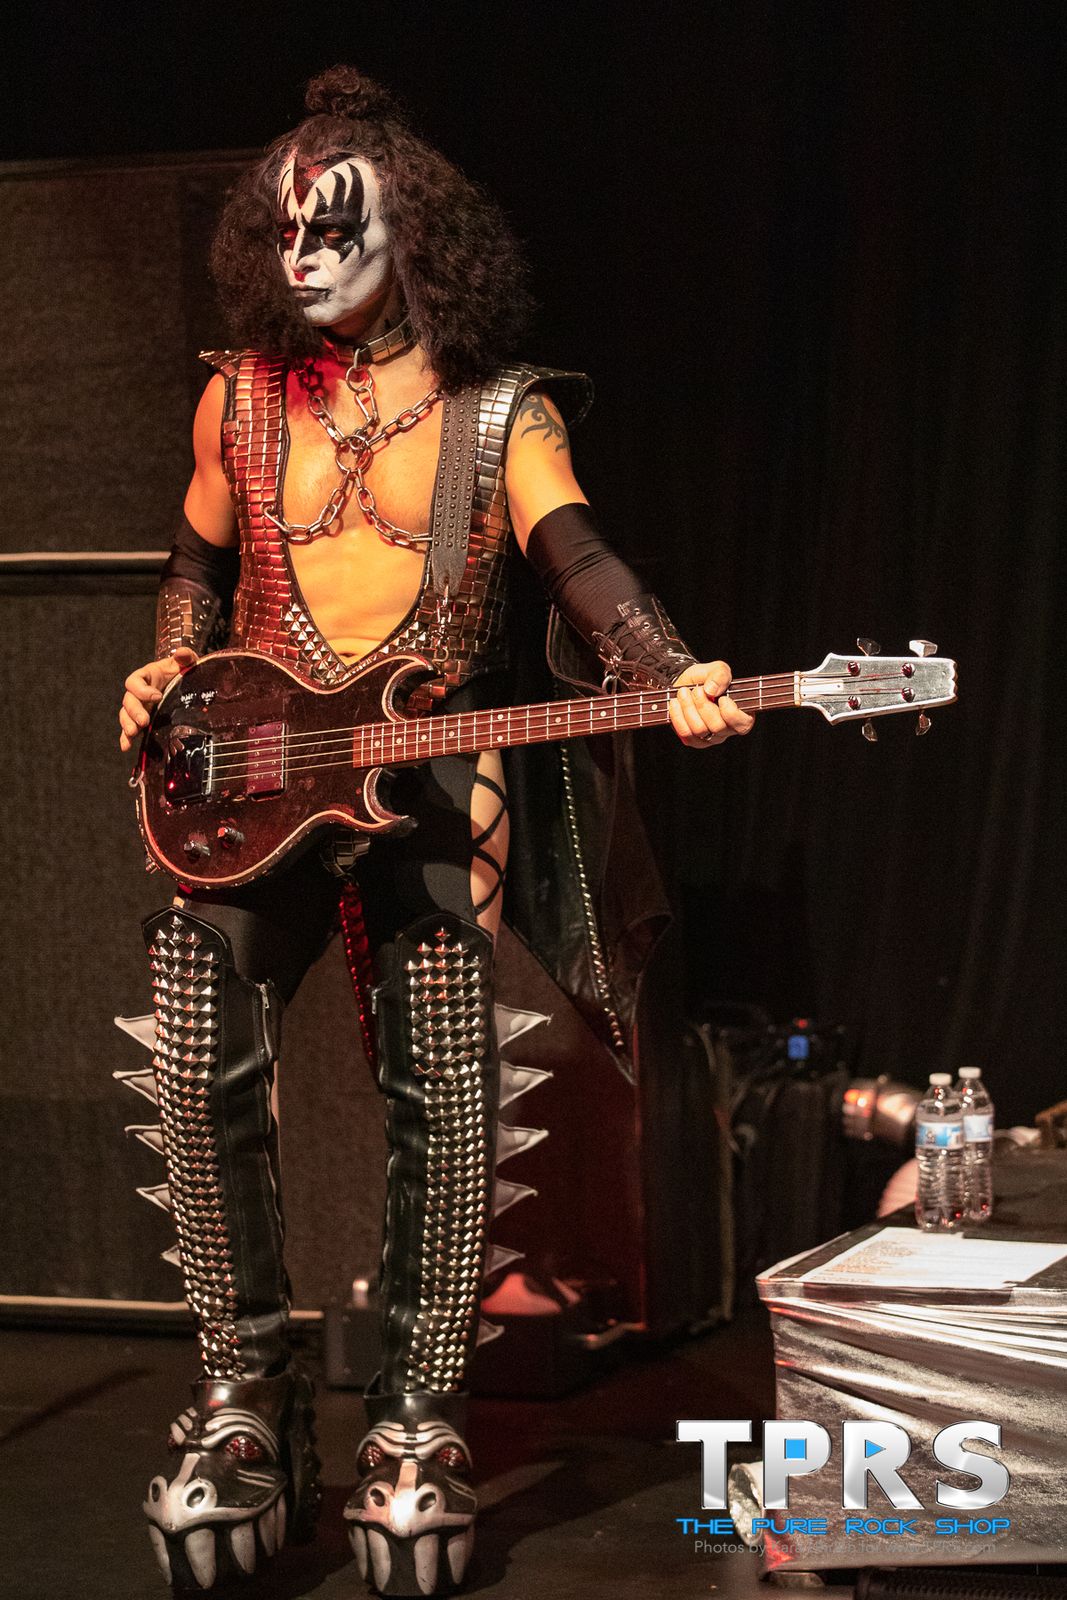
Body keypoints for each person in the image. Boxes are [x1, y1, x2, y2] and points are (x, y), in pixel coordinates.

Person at [117, 65, 754, 1598]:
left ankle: (418, 1413)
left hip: (429, 776)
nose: (305, 256)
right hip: (257, 774)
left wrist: (669, 668)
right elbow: (196, 566)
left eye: (335, 229)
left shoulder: (499, 411)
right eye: (285, 231)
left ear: (416, 236)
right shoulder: (239, 398)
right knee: (193, 1032)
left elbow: (579, 561)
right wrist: (169, 668)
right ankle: (247, 1395)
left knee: (447, 1085)